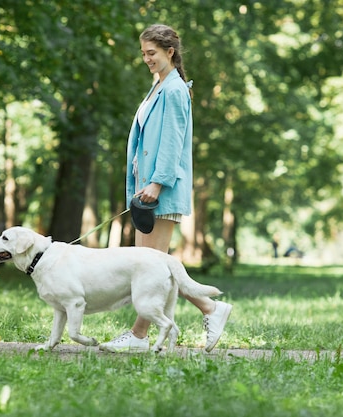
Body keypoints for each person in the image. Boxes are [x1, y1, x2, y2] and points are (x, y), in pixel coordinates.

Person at [99, 24, 232, 353]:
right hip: (146, 190)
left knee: (150, 266)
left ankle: (141, 335)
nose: (146, 59)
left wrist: (157, 184)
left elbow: (172, 144)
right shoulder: (158, 86)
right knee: (152, 266)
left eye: (152, 53)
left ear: (169, 52)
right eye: (143, 53)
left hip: (160, 189)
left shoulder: (173, 90)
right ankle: (207, 310)